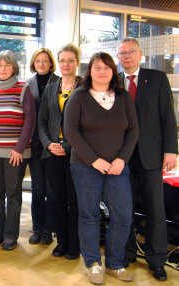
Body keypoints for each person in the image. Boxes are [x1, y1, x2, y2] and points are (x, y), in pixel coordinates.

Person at [65, 52, 139, 285]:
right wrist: (93, 160)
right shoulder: (79, 96)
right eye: (98, 67)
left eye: (107, 67)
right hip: (86, 167)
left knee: (124, 216)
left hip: (117, 168)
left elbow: (134, 130)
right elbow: (71, 131)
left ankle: (115, 263)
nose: (103, 71)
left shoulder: (123, 97)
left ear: (112, 71)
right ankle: (93, 264)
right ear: (90, 71)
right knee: (89, 215)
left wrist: (122, 160)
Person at [117, 37, 178, 281]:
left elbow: (167, 117)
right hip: (121, 158)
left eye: (131, 52)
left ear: (140, 54)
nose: (127, 56)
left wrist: (170, 151)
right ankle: (127, 253)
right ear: (118, 57)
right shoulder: (113, 82)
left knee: (155, 210)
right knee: (124, 209)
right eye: (122, 53)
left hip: (151, 156)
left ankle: (157, 260)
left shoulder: (157, 78)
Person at [0, 50, 36, 251]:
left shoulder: (23, 88)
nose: (3, 69)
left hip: (15, 152)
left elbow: (30, 120)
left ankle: (10, 234)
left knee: (13, 194)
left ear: (13, 67)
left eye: (7, 65)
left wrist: (19, 148)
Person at [38, 43, 81, 259]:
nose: (65, 64)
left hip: (77, 155)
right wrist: (48, 144)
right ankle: (61, 242)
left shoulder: (84, 88)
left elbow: (88, 125)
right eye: (62, 60)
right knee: (55, 198)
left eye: (70, 60)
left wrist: (69, 146)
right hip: (52, 153)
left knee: (74, 201)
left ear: (77, 63)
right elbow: (42, 121)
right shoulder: (51, 87)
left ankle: (74, 245)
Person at [25, 48, 59, 245]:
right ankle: (37, 229)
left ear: (51, 63)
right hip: (36, 144)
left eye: (45, 61)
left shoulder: (59, 82)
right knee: (38, 189)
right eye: (38, 61)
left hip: (55, 144)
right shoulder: (28, 84)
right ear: (33, 63)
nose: (41, 64)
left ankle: (49, 230)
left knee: (53, 190)